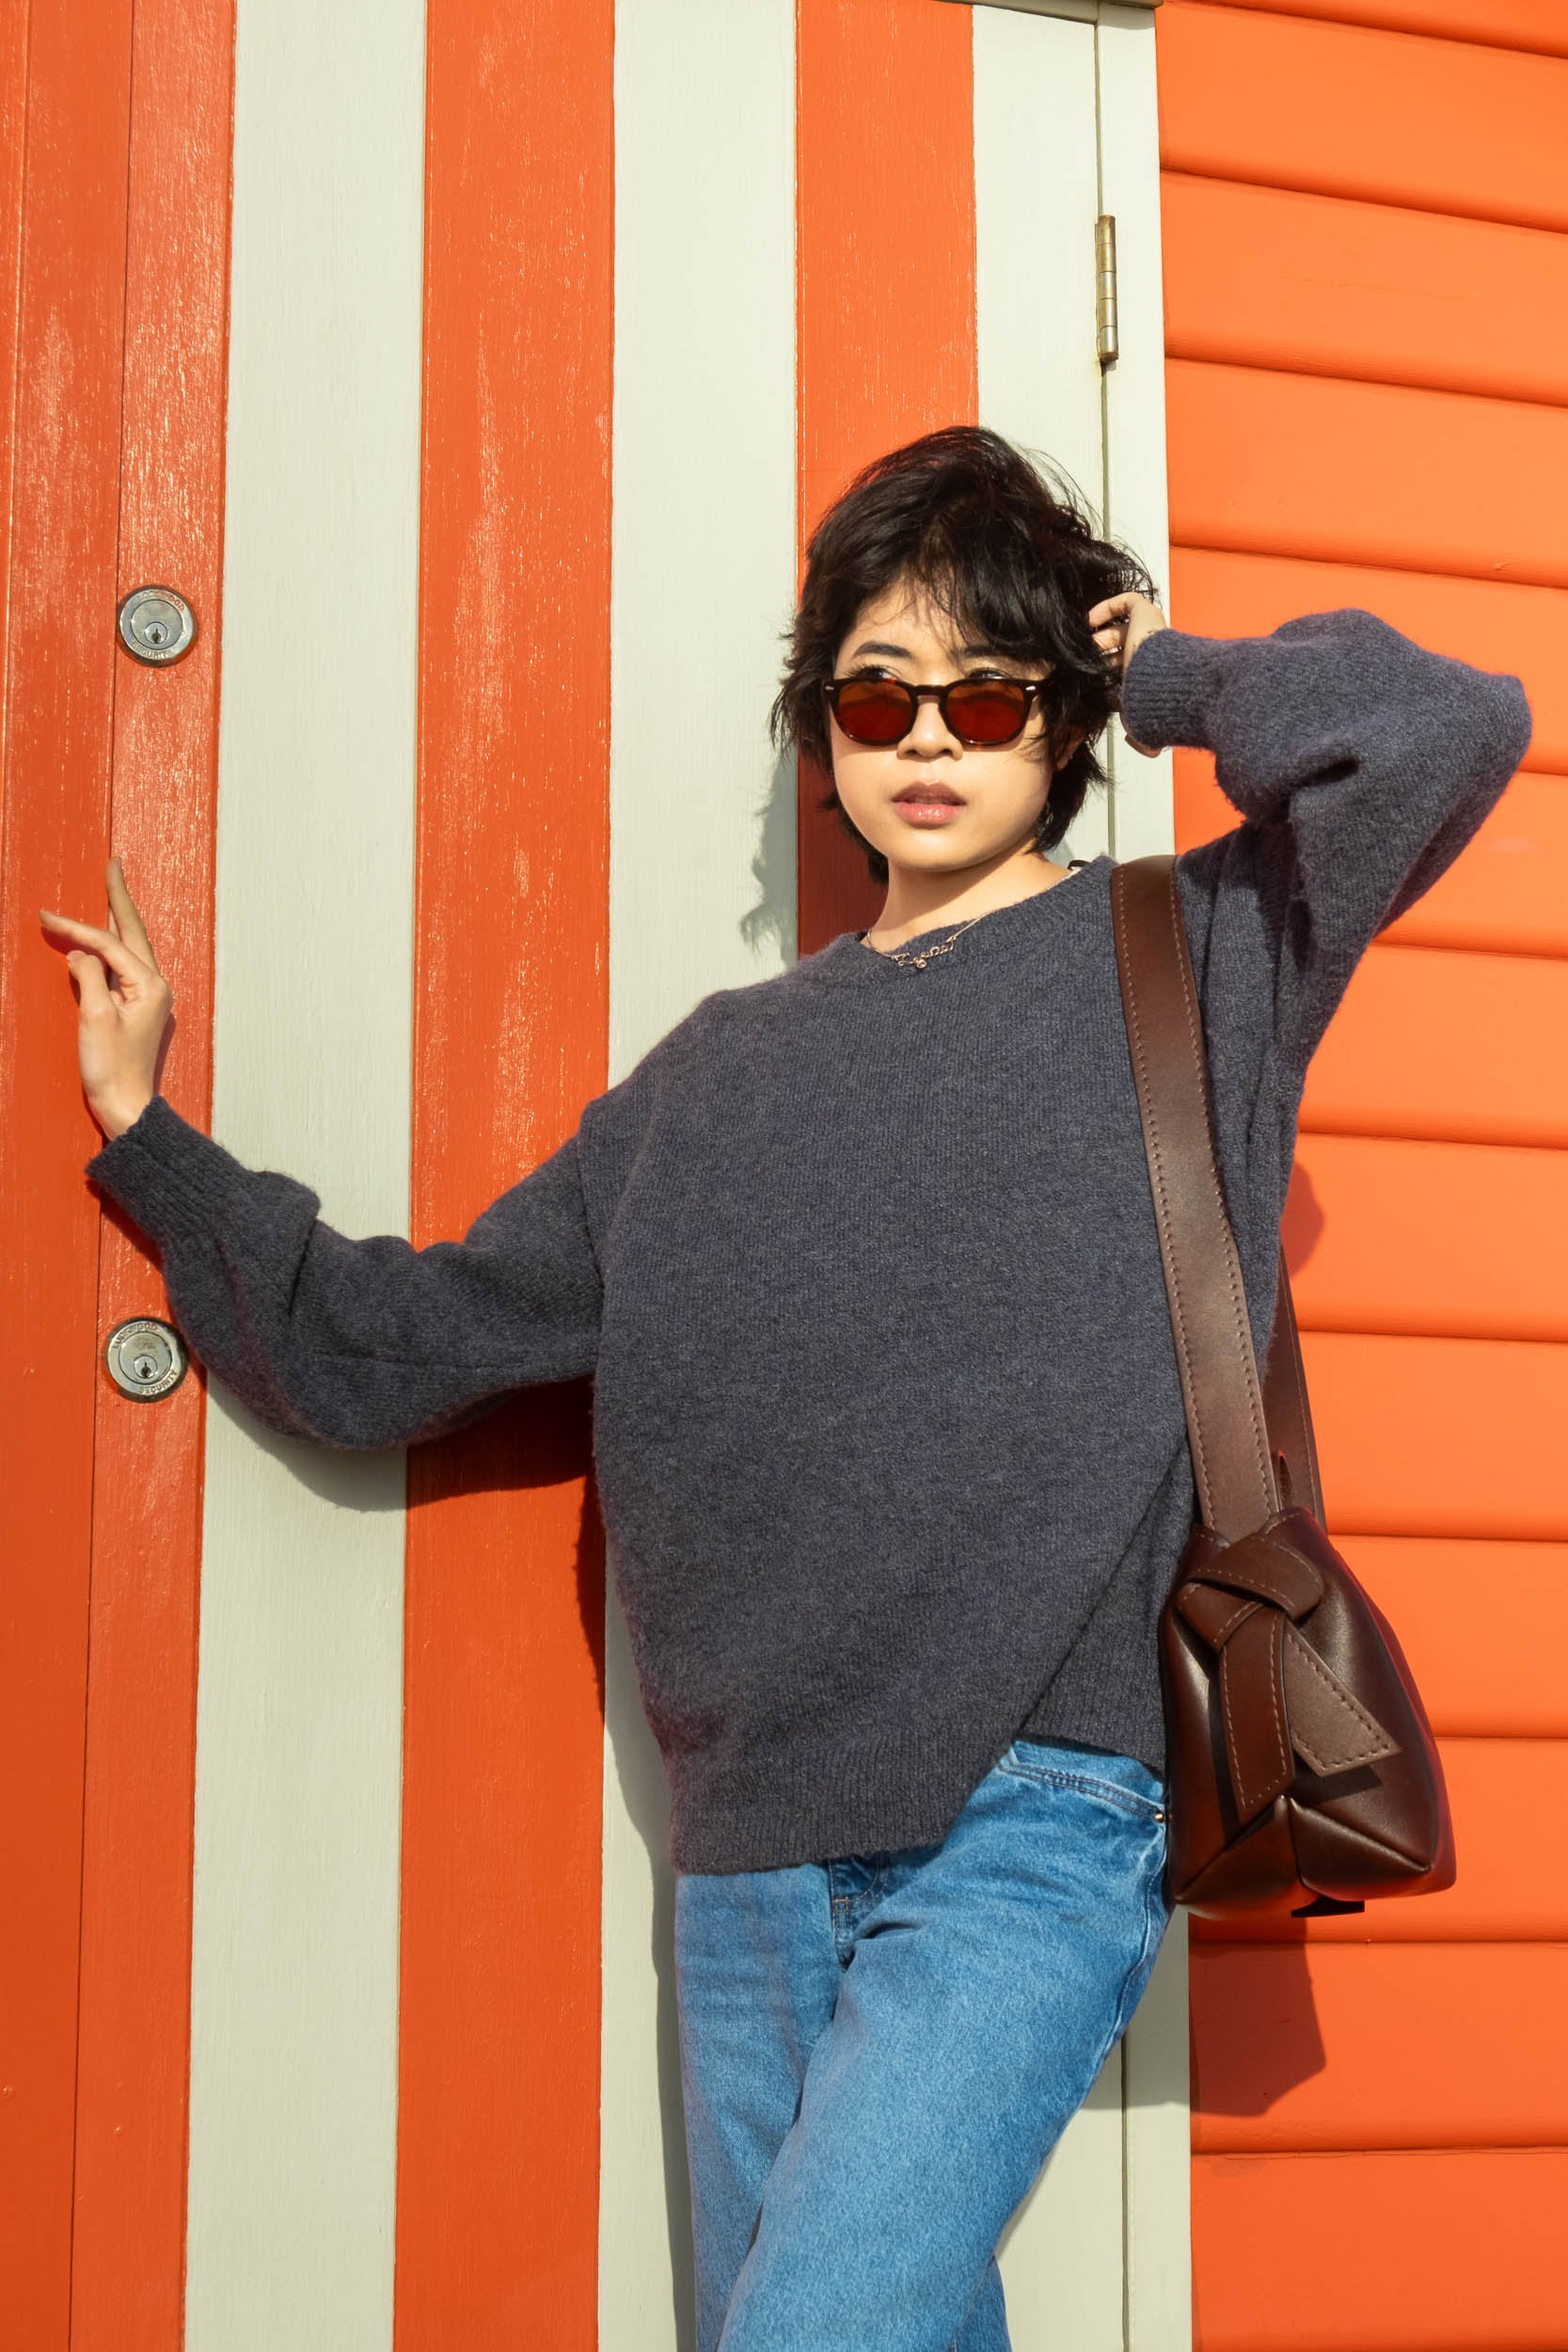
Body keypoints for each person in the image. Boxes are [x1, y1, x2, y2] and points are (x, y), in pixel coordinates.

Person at [40, 426, 1531, 2352]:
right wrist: (148, 1131)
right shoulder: (708, 1080)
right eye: (877, 692)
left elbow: (1439, 730)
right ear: (819, 724)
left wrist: (1161, 669)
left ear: (1058, 713)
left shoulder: (1197, 953)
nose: (930, 736)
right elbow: (388, 1343)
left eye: (990, 691)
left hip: (1039, 1810)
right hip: (748, 1856)